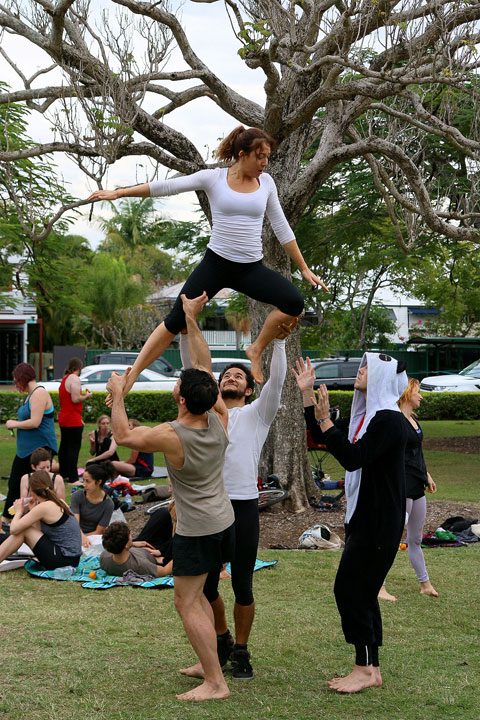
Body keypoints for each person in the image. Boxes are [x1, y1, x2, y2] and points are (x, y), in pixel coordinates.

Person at [88, 125, 327, 388]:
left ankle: (256, 349)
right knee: (175, 321)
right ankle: (130, 378)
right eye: (259, 156)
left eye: (267, 156)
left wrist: (303, 268)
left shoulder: (266, 183)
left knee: (294, 302)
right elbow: (167, 186)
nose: (264, 162)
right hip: (216, 265)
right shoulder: (213, 178)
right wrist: (119, 193)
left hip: (251, 269)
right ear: (241, 154)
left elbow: (281, 227)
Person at [106, 294, 233, 702]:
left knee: (186, 601)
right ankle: (207, 661)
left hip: (197, 530)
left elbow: (124, 437)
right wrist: (191, 320)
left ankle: (215, 682)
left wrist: (118, 393)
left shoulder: (174, 436)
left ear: (180, 399)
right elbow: (204, 367)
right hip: (223, 523)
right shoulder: (219, 418)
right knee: (201, 595)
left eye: (178, 386)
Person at [178, 291, 293, 680]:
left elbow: (276, 382)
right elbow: (194, 368)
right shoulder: (209, 411)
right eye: (225, 374)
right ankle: (222, 640)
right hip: (209, 507)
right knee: (206, 588)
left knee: (242, 585)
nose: (229, 377)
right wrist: (184, 324)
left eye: (237, 376)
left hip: (242, 509)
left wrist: (277, 340)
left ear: (248, 389)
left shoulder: (257, 415)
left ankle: (241, 651)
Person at [294, 353, 408, 693]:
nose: (358, 371)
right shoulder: (371, 418)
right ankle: (370, 668)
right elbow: (322, 435)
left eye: (366, 368)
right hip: (368, 518)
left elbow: (353, 457)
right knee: (363, 591)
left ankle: (364, 668)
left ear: (382, 378)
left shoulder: (388, 420)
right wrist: (306, 395)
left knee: (350, 590)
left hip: (379, 521)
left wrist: (327, 419)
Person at [379, 378, 438, 601]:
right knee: (391, 539)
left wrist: (427, 475)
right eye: (418, 392)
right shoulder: (395, 421)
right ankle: (379, 586)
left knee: (415, 539)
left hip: (417, 485)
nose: (421, 396)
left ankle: (425, 584)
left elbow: (417, 453)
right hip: (401, 487)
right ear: (406, 394)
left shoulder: (413, 420)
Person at [2, 363, 57, 534]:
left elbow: (35, 421)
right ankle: (10, 518)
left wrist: (14, 423)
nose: (15, 384)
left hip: (39, 450)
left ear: (23, 378)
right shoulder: (29, 395)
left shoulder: (39, 393)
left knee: (38, 486)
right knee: (16, 484)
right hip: (25, 450)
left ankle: (22, 520)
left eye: (16, 380)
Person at [0, 470, 81, 569]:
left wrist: (19, 511)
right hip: (71, 559)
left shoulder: (44, 507)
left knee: (24, 529)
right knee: (25, 529)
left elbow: (13, 529)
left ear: (32, 490)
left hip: (64, 560)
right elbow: (39, 532)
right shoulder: (59, 501)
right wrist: (32, 510)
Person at [58, 357, 92, 483]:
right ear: (79, 368)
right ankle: (73, 477)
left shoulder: (65, 379)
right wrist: (87, 396)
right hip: (72, 418)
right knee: (73, 448)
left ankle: (64, 474)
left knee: (64, 447)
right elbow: (75, 399)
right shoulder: (75, 379)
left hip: (64, 417)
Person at [100, 521, 173, 577]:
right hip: (156, 551)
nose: (131, 536)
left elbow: (115, 542)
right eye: (129, 535)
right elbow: (164, 571)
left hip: (140, 547)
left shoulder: (104, 556)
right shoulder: (140, 565)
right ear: (125, 545)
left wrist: (133, 544)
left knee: (162, 513)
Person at [70, 462, 115, 548]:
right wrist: (81, 537)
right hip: (75, 532)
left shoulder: (108, 504)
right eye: (83, 481)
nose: (84, 484)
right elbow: (74, 524)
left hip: (94, 536)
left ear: (98, 482)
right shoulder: (77, 496)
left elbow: (99, 531)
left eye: (88, 481)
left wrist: (85, 538)